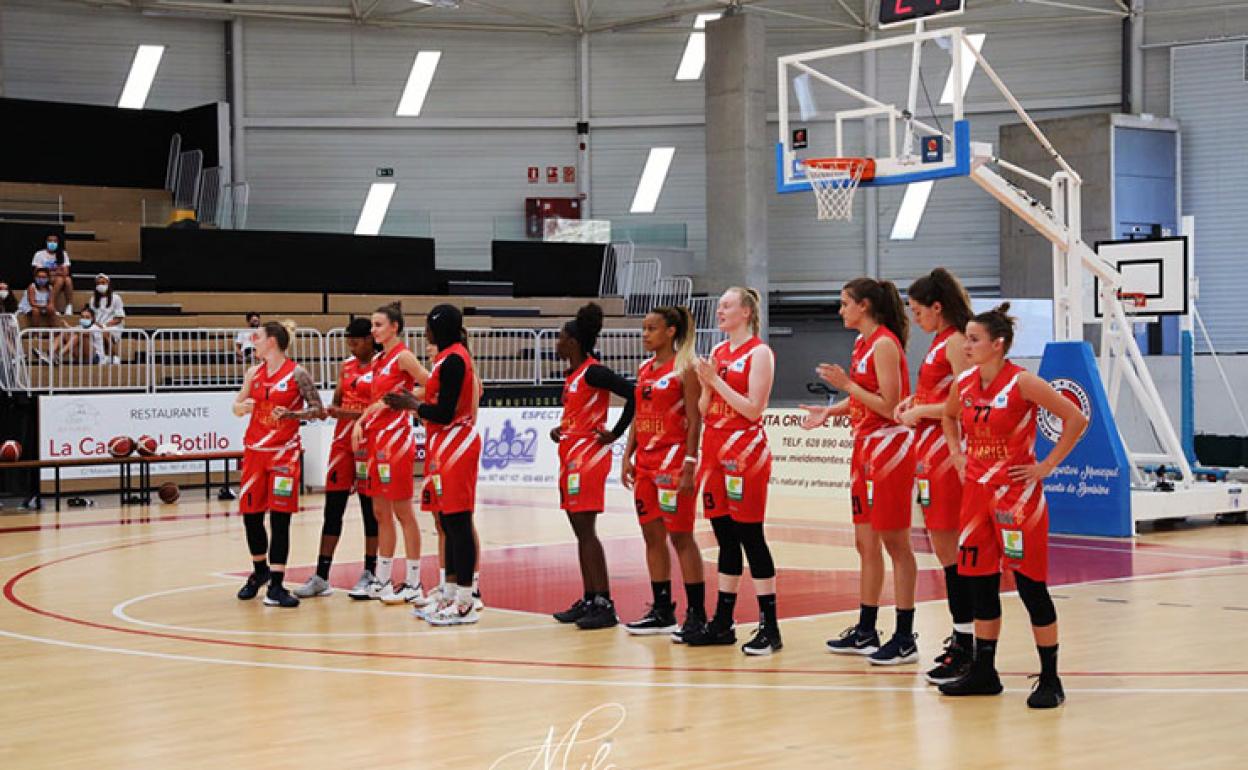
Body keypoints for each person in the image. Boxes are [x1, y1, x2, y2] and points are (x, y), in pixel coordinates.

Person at [938, 303, 1087, 709]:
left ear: (998, 344)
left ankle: (1051, 678)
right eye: (966, 338)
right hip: (976, 496)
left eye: (974, 339)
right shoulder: (964, 384)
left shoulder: (1023, 383)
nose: (966, 346)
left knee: (1030, 588)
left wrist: (1047, 465)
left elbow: (1076, 419)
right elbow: (948, 418)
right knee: (980, 585)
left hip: (1016, 497)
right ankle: (985, 672)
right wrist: (956, 452)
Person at [805, 277, 919, 665]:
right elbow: (864, 401)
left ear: (865, 306)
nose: (840, 311)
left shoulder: (885, 344)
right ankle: (867, 628)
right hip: (865, 448)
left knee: (896, 544)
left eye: (844, 303)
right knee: (865, 543)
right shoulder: (862, 343)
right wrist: (830, 411)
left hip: (889, 448)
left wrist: (847, 385)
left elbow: (892, 407)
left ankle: (905, 636)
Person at [684, 287, 781, 656]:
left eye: (726, 305)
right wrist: (706, 384)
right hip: (714, 447)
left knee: (750, 535)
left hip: (745, 450)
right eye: (720, 306)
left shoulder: (760, 353)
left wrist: (716, 380)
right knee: (724, 536)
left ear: (746, 311)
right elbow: (707, 410)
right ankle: (722, 622)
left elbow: (753, 409)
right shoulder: (719, 353)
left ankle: (769, 627)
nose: (720, 311)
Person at [894, 268, 976, 684]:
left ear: (938, 307)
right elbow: (943, 394)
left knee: (953, 554)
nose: (917, 319)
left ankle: (968, 643)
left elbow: (969, 397)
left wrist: (920, 411)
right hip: (930, 452)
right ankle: (962, 639)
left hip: (948, 453)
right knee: (945, 552)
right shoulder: (938, 343)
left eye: (919, 311)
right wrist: (917, 401)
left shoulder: (958, 341)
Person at [384, 304, 483, 625]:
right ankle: (450, 593)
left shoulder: (455, 359)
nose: (424, 331)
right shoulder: (444, 357)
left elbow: (445, 412)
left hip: (457, 444)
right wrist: (414, 403)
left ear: (438, 327)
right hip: (443, 444)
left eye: (427, 324)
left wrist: (412, 404)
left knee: (458, 522)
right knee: (447, 522)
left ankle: (467, 600)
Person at [620, 306, 707, 642]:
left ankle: (696, 614)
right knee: (651, 536)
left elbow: (695, 419)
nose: (645, 334)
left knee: (681, 537)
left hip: (672, 461)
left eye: (651, 328)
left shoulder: (685, 369)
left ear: (671, 331)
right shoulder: (644, 368)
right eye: (643, 329)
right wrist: (627, 454)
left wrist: (690, 462)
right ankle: (662, 609)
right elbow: (640, 416)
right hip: (645, 462)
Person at [550, 303, 635, 631]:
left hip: (588, 458)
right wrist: (561, 430)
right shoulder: (572, 375)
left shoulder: (593, 371)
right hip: (571, 454)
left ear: (572, 341)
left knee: (586, 532)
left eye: (559, 338)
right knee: (579, 532)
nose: (556, 344)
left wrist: (615, 432)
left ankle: (604, 603)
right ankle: (590, 597)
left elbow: (636, 395)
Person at [232, 320, 325, 608]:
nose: (253, 341)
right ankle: (259, 571)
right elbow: (237, 405)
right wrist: (241, 407)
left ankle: (276, 583)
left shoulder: (297, 374)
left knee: (280, 519)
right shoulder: (253, 373)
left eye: (257, 337)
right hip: (255, 452)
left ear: (272, 341)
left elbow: (318, 411)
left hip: (284, 454)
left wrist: (294, 416)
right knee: (251, 516)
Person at [351, 303, 432, 606]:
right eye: (372, 325)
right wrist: (360, 421)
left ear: (394, 327)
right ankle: (383, 577)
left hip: (396, 442)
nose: (373, 330)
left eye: (378, 325)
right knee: (380, 513)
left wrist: (404, 400)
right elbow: (377, 401)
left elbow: (432, 385)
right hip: (375, 441)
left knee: (402, 511)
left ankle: (414, 581)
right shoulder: (378, 360)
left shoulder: (404, 356)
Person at [293, 318, 380, 600]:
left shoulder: (383, 367)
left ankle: (370, 573)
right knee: (333, 510)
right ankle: (321, 575)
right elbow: (340, 400)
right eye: (348, 342)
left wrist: (346, 413)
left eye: (356, 342)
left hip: (370, 441)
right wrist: (329, 410)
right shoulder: (346, 366)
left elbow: (380, 411)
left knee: (370, 511)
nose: (352, 347)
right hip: (343, 442)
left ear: (369, 339)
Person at [88, 273, 126, 365]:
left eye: (103, 282)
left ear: (108, 283)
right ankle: (101, 357)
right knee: (92, 331)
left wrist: (105, 325)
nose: (100, 285)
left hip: (113, 326)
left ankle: (114, 357)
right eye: (98, 283)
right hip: (97, 325)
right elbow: (91, 316)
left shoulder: (116, 298)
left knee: (105, 332)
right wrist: (97, 324)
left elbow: (119, 318)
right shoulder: (93, 299)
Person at [31, 233, 72, 314]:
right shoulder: (39, 254)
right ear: (46, 242)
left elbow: (66, 272)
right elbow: (37, 271)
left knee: (68, 280)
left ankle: (69, 305)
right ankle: (51, 303)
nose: (52, 243)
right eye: (50, 241)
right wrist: (56, 271)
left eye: (55, 241)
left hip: (58, 278)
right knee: (60, 279)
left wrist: (50, 271)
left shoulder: (63, 254)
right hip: (44, 278)